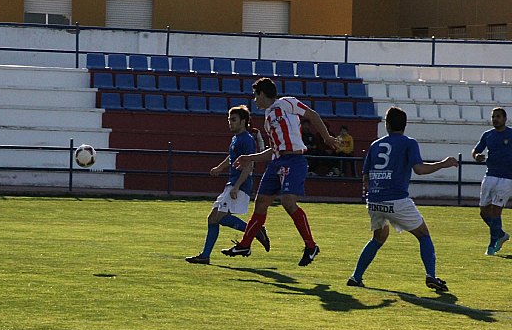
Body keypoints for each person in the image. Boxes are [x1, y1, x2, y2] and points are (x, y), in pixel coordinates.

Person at [221, 77, 338, 266]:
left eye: (255, 95)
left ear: (262, 93)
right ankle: (245, 244)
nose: (254, 100)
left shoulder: (286, 103)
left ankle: (311, 246)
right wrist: (249, 158)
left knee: (288, 201)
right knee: (261, 204)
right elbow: (273, 151)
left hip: (294, 160)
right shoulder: (268, 119)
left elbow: (312, 115)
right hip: (277, 162)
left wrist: (326, 137)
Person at [347, 106, 457, 291]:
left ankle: (356, 277)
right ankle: (431, 275)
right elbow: (419, 170)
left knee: (378, 237)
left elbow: (365, 176)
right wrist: (443, 164)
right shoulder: (409, 143)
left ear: (387, 124)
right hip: (396, 199)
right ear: (405, 125)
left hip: (374, 200)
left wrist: (375, 192)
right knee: (423, 235)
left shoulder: (375, 145)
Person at [186, 105, 270, 265]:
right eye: (229, 120)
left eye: (233, 120)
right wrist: (220, 167)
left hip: (240, 184)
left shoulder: (247, 139)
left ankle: (255, 231)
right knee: (212, 218)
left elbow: (249, 165)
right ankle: (205, 256)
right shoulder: (236, 139)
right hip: (232, 183)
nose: (230, 123)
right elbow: (232, 157)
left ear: (243, 121)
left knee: (218, 217)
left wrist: (237, 186)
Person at [471, 107, 512, 256]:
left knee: (496, 210)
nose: (495, 119)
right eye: (493, 117)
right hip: (490, 176)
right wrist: (476, 156)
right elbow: (476, 150)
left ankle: (492, 244)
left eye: (498, 117)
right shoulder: (487, 135)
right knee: (483, 212)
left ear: (504, 119)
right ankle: (500, 234)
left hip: (507, 178)